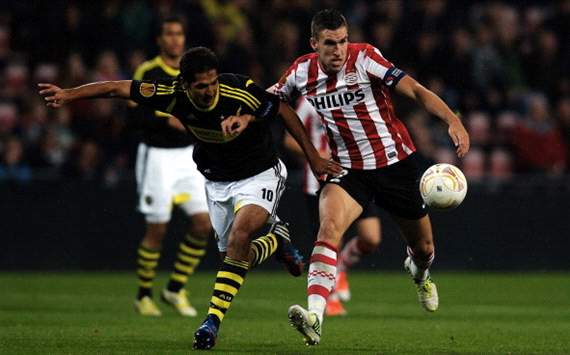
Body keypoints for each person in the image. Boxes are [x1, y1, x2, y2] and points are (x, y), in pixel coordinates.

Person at [38, 46, 342, 350]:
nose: (209, 90)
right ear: (185, 85)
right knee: (233, 258)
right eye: (201, 86)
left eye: (212, 82)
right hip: (217, 181)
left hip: (260, 173)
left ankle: (211, 322)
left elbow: (281, 109)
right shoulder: (172, 95)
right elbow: (118, 88)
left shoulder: (238, 89)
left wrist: (311, 157)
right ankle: (277, 240)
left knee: (239, 236)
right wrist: (69, 94)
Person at [272, 9, 470, 345]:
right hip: (348, 171)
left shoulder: (364, 58)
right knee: (329, 229)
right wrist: (243, 118)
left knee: (423, 248)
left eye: (343, 40)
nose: (338, 49)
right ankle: (315, 316)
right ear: (314, 44)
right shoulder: (300, 71)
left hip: (395, 165)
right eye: (330, 43)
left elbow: (417, 90)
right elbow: (270, 100)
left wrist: (452, 119)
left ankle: (420, 274)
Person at [128, 17, 212, 317]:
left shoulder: (192, 73)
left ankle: (174, 289)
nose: (175, 39)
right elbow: (134, 116)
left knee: (204, 225)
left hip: (188, 157)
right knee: (157, 230)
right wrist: (166, 118)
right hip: (157, 157)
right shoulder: (148, 72)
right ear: (160, 40)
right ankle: (143, 295)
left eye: (179, 34)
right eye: (169, 34)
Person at [283, 96, 382, 316]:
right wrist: (317, 155)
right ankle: (330, 296)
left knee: (371, 238)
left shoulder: (354, 95)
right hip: (321, 181)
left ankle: (341, 269)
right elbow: (289, 140)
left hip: (358, 176)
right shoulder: (309, 102)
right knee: (333, 238)